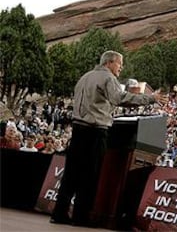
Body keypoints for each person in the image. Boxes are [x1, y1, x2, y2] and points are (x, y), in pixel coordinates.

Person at [50, 50, 168, 227]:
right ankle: (81, 217)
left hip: (78, 129)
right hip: (95, 131)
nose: (121, 67)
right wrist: (150, 99)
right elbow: (118, 98)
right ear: (110, 63)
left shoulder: (85, 76)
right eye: (120, 63)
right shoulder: (108, 78)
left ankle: (59, 213)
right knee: (90, 175)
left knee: (71, 173)